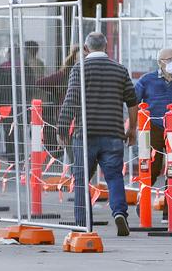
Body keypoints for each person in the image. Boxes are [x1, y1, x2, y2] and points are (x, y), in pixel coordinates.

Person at [57, 32, 137, 236]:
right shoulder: (120, 69)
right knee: (114, 176)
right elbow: (132, 102)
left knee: (82, 178)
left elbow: (72, 99)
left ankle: (84, 222)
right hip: (113, 133)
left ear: (85, 48)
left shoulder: (80, 68)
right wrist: (132, 129)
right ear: (106, 47)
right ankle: (120, 213)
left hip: (86, 134)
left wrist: (62, 127)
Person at [134, 48, 172, 223]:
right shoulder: (147, 80)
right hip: (153, 127)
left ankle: (170, 211)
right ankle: (142, 201)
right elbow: (132, 101)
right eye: (169, 59)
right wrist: (136, 122)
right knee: (151, 167)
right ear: (160, 62)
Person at [36, 45, 80, 161]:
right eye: (80, 58)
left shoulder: (67, 74)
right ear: (74, 59)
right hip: (68, 118)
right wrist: (56, 91)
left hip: (81, 118)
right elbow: (41, 83)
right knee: (74, 156)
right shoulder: (64, 74)